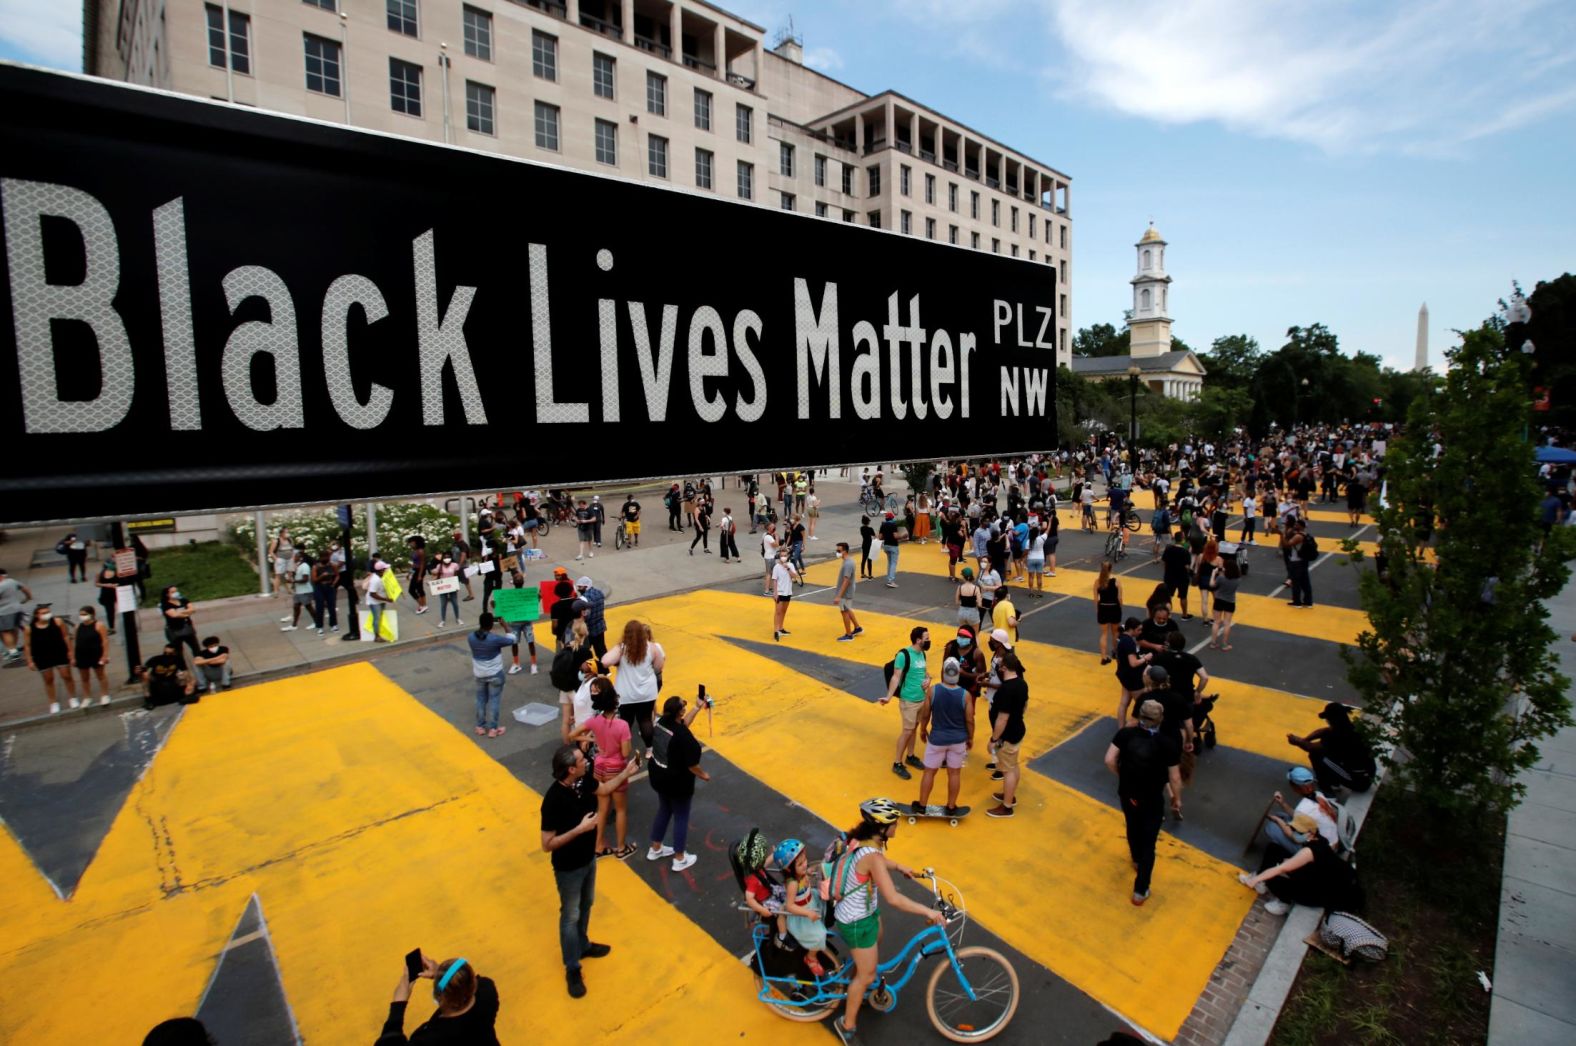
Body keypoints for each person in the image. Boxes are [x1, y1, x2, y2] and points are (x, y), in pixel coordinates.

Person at [829, 798, 947, 1043]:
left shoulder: (864, 841)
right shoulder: (871, 854)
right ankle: (846, 1025)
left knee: (874, 948)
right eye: (894, 822)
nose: (897, 826)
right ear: (882, 827)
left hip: (866, 914)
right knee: (869, 976)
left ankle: (858, 983)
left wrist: (901, 867)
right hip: (856, 921)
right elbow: (893, 898)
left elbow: (880, 862)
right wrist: (928, 911)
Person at [541, 743, 637, 998]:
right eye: (582, 760)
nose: (587, 761)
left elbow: (604, 788)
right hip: (568, 867)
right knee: (570, 915)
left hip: (588, 860)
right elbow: (546, 844)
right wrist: (580, 830)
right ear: (570, 769)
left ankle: (582, 944)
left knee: (587, 904)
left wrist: (626, 772)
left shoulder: (583, 782)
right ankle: (572, 966)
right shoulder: (552, 800)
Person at [1105, 699, 1182, 906]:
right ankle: (1140, 890)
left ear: (1139, 715)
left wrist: (1122, 775)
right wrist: (1176, 798)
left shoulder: (1125, 735)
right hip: (1152, 797)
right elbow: (1174, 777)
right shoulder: (1168, 744)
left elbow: (1109, 759)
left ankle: (1136, 858)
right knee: (1150, 841)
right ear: (1160, 718)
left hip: (1128, 792)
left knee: (1132, 825)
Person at [1238, 819, 1361, 916]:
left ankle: (1284, 902)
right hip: (1319, 877)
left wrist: (1254, 880)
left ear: (1309, 834)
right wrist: (1277, 819)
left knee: (1274, 876)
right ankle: (1262, 883)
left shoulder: (1309, 851)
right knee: (1273, 848)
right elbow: (1290, 834)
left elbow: (1281, 869)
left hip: (1321, 892)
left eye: (1298, 831)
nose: (1294, 833)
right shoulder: (1319, 839)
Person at [373, 952, 499, 1045]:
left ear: (440, 998)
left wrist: (398, 1005)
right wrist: (441, 973)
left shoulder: (431, 1039)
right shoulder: (487, 992)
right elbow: (472, 982)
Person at [570, 683, 635, 859]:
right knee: (620, 810)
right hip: (616, 768)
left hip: (600, 766)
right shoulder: (622, 725)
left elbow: (571, 735)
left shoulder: (594, 721)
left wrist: (590, 738)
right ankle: (621, 849)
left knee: (602, 808)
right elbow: (625, 752)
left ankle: (598, 846)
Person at [646, 694, 709, 872]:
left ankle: (656, 847)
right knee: (681, 816)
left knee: (664, 809)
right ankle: (679, 858)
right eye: (685, 706)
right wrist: (704, 775)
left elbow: (682, 725)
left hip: (658, 777)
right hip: (677, 783)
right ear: (680, 712)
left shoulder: (660, 724)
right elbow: (692, 765)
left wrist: (696, 708)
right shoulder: (684, 738)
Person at [912, 657, 973, 817]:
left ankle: (922, 805)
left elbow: (925, 714)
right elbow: (969, 719)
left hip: (937, 739)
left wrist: (923, 730)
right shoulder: (965, 695)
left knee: (929, 772)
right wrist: (970, 737)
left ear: (943, 672)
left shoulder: (933, 691)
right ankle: (951, 806)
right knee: (954, 774)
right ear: (958, 673)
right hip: (958, 740)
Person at [775, 839, 836, 977]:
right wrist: (807, 913)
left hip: (810, 902)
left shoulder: (800, 875)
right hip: (800, 914)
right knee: (819, 935)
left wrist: (810, 871)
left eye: (805, 860)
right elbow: (790, 906)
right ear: (788, 869)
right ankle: (811, 957)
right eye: (800, 864)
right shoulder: (792, 884)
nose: (805, 865)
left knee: (826, 904)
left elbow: (806, 876)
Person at [602, 619, 664, 753]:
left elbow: (605, 661)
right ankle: (649, 749)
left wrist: (618, 652)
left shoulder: (622, 648)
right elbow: (659, 667)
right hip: (647, 692)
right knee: (645, 720)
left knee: (625, 722)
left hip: (626, 694)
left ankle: (623, 749)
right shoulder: (653, 647)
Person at [1288, 702, 1377, 793]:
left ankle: (1328, 786)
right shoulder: (1351, 726)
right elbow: (1324, 731)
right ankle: (1333, 781)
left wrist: (1298, 742)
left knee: (1317, 755)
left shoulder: (1337, 736)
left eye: (1327, 719)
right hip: (1369, 772)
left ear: (1332, 720)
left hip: (1359, 781)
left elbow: (1311, 748)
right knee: (1330, 755)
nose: (1326, 721)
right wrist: (1305, 739)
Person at [881, 626, 931, 780]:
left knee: (914, 729)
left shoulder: (922, 653)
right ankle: (897, 763)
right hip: (908, 700)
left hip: (921, 699)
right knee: (907, 731)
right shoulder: (904, 655)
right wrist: (888, 696)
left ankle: (910, 756)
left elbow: (925, 673)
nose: (929, 641)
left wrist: (928, 680)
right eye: (927, 638)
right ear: (918, 640)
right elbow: (896, 677)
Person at [1262, 766, 1340, 857]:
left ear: (1295, 786)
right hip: (1333, 843)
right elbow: (1299, 815)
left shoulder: (1303, 808)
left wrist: (1276, 820)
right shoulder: (1319, 795)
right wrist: (1283, 803)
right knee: (1282, 816)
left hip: (1322, 854)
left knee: (1271, 827)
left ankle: (1291, 855)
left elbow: (1295, 838)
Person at [985, 652, 1028, 818]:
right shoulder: (1022, 684)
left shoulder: (1006, 689)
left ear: (1004, 667)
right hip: (1018, 729)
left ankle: (1007, 806)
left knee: (1007, 770)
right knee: (1013, 764)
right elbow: (1024, 706)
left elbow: (1002, 718)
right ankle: (1010, 795)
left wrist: (994, 739)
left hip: (1008, 735)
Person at [467, 613, 515, 739]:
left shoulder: (471, 637)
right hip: (495, 674)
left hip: (479, 673)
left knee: (481, 699)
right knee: (494, 700)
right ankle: (493, 728)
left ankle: (480, 726)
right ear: (491, 624)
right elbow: (513, 639)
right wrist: (504, 625)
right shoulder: (494, 639)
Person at [1114, 617, 1152, 726]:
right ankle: (1140, 727)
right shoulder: (1129, 642)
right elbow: (1133, 663)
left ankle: (1121, 728)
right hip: (1133, 678)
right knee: (1141, 706)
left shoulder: (1122, 638)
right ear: (1132, 629)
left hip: (1125, 675)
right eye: (1139, 630)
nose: (1140, 632)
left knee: (1124, 703)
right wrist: (1145, 658)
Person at [73, 605, 112, 705]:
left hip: (96, 654)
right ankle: (87, 697)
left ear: (91, 615)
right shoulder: (78, 626)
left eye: (84, 614)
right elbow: (76, 641)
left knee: (100, 675)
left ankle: (104, 695)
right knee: (84, 678)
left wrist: (105, 655)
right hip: (82, 655)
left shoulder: (99, 625)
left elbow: (105, 641)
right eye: (81, 614)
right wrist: (74, 656)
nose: (82, 616)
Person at [139, 642, 196, 708]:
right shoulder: (156, 659)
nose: (167, 655)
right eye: (165, 653)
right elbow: (144, 669)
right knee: (144, 676)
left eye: (170, 653)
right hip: (157, 681)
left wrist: (189, 684)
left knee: (187, 677)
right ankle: (148, 701)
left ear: (175, 653)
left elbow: (186, 673)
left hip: (171, 681)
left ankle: (188, 696)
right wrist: (142, 672)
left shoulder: (178, 660)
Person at [159, 585, 202, 665]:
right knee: (178, 651)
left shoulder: (183, 600)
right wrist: (185, 612)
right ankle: (183, 668)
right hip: (174, 630)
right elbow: (174, 615)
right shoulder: (165, 604)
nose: (175, 593)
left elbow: (192, 609)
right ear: (167, 594)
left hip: (187, 628)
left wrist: (179, 612)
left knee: (196, 647)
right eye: (172, 592)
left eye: (176, 591)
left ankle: (199, 663)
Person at [0, 566, 34, 666]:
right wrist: (28, 598)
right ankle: (13, 648)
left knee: (5, 632)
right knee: (14, 629)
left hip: (3, 612)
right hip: (17, 609)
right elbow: (25, 589)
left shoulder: (1, 586)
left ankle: (12, 651)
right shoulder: (11, 581)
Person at [280, 550, 320, 633]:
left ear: (300, 558)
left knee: (309, 607)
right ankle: (294, 625)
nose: (293, 558)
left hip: (305, 591)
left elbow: (305, 579)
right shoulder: (298, 566)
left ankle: (317, 622)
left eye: (295, 556)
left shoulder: (305, 566)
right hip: (299, 591)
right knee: (296, 607)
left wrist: (294, 581)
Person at [832, 541, 863, 641]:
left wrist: (838, 596)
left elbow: (846, 580)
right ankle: (857, 627)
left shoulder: (848, 564)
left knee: (844, 612)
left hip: (845, 593)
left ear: (845, 551)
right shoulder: (848, 561)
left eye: (839, 550)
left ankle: (848, 634)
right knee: (848, 609)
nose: (837, 552)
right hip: (847, 592)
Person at [1095, 560, 1123, 665]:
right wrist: (1120, 608)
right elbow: (1119, 598)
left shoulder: (1098, 582)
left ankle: (1103, 657)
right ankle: (1115, 652)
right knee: (1115, 632)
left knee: (1104, 633)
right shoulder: (1116, 582)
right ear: (1111, 569)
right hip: (1114, 607)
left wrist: (1098, 610)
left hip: (1103, 607)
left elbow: (1095, 599)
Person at [1281, 518, 1314, 608]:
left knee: (1296, 582)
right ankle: (1308, 602)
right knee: (1305, 582)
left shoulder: (1298, 536)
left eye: (1296, 524)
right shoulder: (1306, 535)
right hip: (1304, 560)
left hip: (1296, 562)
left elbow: (1286, 545)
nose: (1295, 526)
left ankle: (1297, 602)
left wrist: (1281, 535)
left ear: (1301, 526)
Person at [1160, 530, 1192, 618]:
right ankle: (1184, 614)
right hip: (1182, 577)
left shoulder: (1168, 549)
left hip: (1169, 575)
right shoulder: (1185, 552)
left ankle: (1167, 613)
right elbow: (1187, 566)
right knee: (1183, 596)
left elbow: (1164, 562)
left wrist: (1166, 571)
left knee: (1168, 596)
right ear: (1182, 539)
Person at [770, 548, 800, 641]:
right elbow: (774, 580)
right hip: (780, 592)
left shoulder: (790, 565)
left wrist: (788, 568)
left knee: (783, 611)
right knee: (778, 612)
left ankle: (781, 628)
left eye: (785, 555)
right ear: (779, 556)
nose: (783, 557)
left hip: (788, 592)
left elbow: (794, 576)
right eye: (782, 555)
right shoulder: (776, 567)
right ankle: (776, 631)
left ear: (788, 556)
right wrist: (775, 593)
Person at [576, 575, 608, 659]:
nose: (578, 589)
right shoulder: (599, 593)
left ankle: (587, 670)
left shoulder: (584, 599)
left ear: (586, 587)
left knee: (584, 653)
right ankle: (606, 670)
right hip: (600, 627)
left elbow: (586, 616)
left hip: (588, 630)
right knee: (601, 651)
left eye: (580, 587)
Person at [311, 549, 340, 635]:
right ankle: (319, 626)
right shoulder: (316, 567)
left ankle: (333, 624)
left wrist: (334, 584)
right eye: (323, 557)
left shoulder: (332, 565)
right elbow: (314, 580)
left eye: (326, 557)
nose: (325, 558)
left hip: (330, 586)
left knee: (332, 606)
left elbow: (337, 575)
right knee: (319, 607)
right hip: (319, 587)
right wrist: (322, 576)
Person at [365, 560, 394, 642]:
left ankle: (379, 632)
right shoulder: (375, 580)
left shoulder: (382, 576)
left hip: (380, 600)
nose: (387, 570)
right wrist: (386, 599)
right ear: (381, 570)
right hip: (374, 602)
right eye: (385, 569)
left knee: (380, 617)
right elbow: (372, 594)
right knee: (376, 618)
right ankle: (377, 636)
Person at [268, 527, 295, 602]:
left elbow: (292, 549)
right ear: (281, 533)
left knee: (290, 574)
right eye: (286, 532)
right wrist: (276, 559)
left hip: (289, 559)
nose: (287, 534)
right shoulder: (276, 541)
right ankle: (275, 591)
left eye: (288, 532)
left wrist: (293, 558)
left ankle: (289, 589)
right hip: (281, 559)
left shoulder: (290, 540)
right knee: (278, 575)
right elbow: (271, 551)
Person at [93, 561, 119, 634]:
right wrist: (107, 585)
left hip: (115, 592)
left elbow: (121, 582)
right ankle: (111, 627)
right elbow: (96, 584)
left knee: (113, 610)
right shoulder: (100, 573)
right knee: (110, 611)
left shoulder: (116, 572)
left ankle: (112, 627)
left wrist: (115, 585)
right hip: (106, 594)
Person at [879, 511, 902, 588]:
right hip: (893, 545)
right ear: (892, 518)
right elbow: (895, 536)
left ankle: (889, 578)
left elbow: (880, 537)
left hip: (886, 545)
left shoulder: (883, 525)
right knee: (893, 563)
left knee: (889, 563)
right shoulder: (893, 525)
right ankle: (891, 581)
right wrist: (902, 536)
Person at [858, 515, 876, 579]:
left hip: (864, 544)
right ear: (868, 522)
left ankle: (862, 573)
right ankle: (870, 575)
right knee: (869, 560)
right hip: (869, 545)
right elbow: (874, 536)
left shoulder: (861, 528)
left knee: (863, 559)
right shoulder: (870, 529)